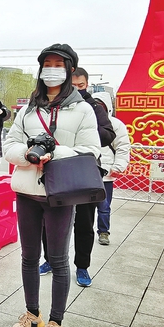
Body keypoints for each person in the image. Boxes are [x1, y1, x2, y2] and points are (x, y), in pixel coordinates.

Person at [3, 45, 100, 327]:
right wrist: (29, 156)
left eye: (59, 64)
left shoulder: (82, 108)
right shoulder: (28, 109)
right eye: (47, 63)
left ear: (70, 70)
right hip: (28, 192)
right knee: (28, 257)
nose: (52, 68)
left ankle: (56, 323)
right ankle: (33, 314)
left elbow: (91, 150)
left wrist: (54, 154)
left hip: (60, 194)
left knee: (57, 259)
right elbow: (10, 144)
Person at [69, 66, 118, 286]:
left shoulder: (94, 106)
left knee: (84, 223)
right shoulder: (57, 105)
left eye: (81, 86)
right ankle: (50, 260)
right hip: (58, 169)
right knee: (49, 222)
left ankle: (82, 267)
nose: (77, 90)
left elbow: (108, 134)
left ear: (86, 85)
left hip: (86, 171)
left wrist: (84, 131)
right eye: (73, 86)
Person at [93, 92, 131, 246]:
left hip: (106, 173)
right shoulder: (85, 122)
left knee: (104, 206)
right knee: (81, 208)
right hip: (85, 172)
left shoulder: (115, 125)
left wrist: (118, 166)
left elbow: (122, 147)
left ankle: (103, 232)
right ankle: (82, 231)